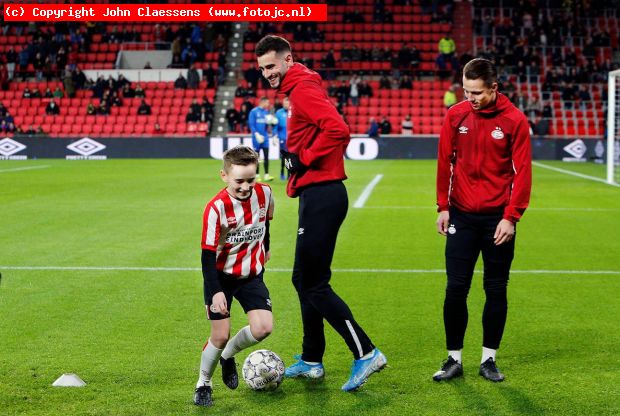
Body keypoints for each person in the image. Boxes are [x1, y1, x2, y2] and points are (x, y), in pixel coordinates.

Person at [255, 35, 386, 392]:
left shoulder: (301, 91)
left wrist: (303, 158)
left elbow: (339, 130)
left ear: (287, 59)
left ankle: (366, 352)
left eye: (271, 65)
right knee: (303, 279)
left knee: (313, 282)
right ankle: (312, 358)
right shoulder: (298, 88)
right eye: (262, 68)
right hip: (316, 193)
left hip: (325, 193)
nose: (267, 73)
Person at [433, 58, 532, 383]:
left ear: (494, 88)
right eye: (466, 90)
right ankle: (453, 359)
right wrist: (442, 207)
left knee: (496, 288)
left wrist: (511, 217)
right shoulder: (455, 114)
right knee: (455, 288)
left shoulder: (514, 120)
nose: (471, 97)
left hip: (497, 220)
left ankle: (489, 360)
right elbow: (444, 162)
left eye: (477, 92)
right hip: (460, 214)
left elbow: (523, 173)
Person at [193, 145, 275, 408]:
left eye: (251, 179)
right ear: (224, 175)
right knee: (219, 336)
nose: (245, 186)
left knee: (263, 328)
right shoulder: (215, 209)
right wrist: (215, 290)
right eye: (239, 180)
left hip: (251, 274)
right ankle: (204, 382)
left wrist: (267, 248)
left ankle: (228, 356)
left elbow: (266, 223)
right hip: (221, 277)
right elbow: (207, 255)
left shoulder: (265, 194)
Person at [248, 96, 274, 182]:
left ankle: (267, 175)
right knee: (257, 157)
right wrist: (256, 134)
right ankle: (257, 175)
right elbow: (251, 124)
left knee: (266, 156)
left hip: (265, 138)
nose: (268, 104)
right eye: (267, 103)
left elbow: (267, 126)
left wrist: (271, 122)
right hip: (257, 138)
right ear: (262, 102)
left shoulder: (266, 112)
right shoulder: (254, 112)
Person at [274, 96, 289, 180]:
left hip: (291, 139)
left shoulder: (293, 112)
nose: (286, 105)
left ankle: (289, 174)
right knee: (284, 157)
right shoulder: (279, 112)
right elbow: (275, 126)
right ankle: (282, 172)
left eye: (287, 103)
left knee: (290, 157)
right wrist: (275, 135)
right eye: (284, 103)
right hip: (282, 138)